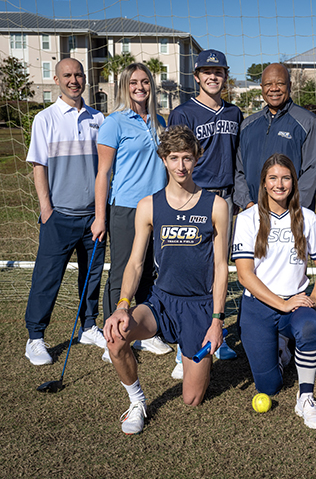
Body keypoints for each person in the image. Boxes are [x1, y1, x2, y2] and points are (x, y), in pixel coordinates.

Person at [103, 125, 229, 434]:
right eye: (174, 158)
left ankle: (189, 353)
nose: (181, 166)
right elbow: (134, 263)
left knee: (192, 398)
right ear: (163, 159)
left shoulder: (216, 206)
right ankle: (137, 402)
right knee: (116, 338)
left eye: (187, 157)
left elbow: (222, 265)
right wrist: (122, 305)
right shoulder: (148, 206)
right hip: (161, 301)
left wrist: (217, 321)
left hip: (199, 306)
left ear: (197, 159)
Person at [232, 154, 316, 430]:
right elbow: (244, 274)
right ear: (263, 183)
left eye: (286, 178)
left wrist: (314, 297)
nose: (280, 184)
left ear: (294, 182)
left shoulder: (307, 218)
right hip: (259, 307)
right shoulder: (247, 219)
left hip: (295, 304)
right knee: (269, 386)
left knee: (310, 328)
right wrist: (281, 303)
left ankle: (307, 399)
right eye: (273, 178)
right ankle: (282, 349)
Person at [24, 58, 107, 365]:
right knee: (47, 278)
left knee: (92, 276)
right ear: (57, 80)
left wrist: (101, 214)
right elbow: (39, 167)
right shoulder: (45, 119)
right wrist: (47, 210)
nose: (74, 80)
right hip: (59, 216)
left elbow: (105, 169)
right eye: (68, 75)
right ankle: (35, 337)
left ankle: (88, 326)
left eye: (79, 74)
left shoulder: (99, 118)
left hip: (93, 217)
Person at [168, 49, 242, 373]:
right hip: (195, 198)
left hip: (225, 201)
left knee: (219, 271)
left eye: (219, 71)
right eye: (206, 71)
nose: (213, 77)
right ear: (196, 76)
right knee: (193, 274)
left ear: (225, 76)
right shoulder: (183, 112)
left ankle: (217, 334)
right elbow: (173, 159)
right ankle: (183, 345)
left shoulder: (234, 113)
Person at [93, 63, 171, 359]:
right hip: (126, 207)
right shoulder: (114, 122)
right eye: (133, 82)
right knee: (123, 271)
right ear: (125, 86)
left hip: (157, 206)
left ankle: (144, 331)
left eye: (145, 82)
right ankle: (112, 332)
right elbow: (103, 173)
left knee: (150, 270)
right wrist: (101, 217)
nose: (140, 87)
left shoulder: (159, 121)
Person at [234, 63, 316, 211]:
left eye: (280, 83)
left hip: (291, 214)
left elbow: (312, 170)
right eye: (268, 84)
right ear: (262, 87)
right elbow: (239, 170)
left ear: (290, 85)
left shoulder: (307, 122)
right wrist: (248, 204)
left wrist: (293, 209)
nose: (274, 88)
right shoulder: (248, 125)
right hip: (254, 211)